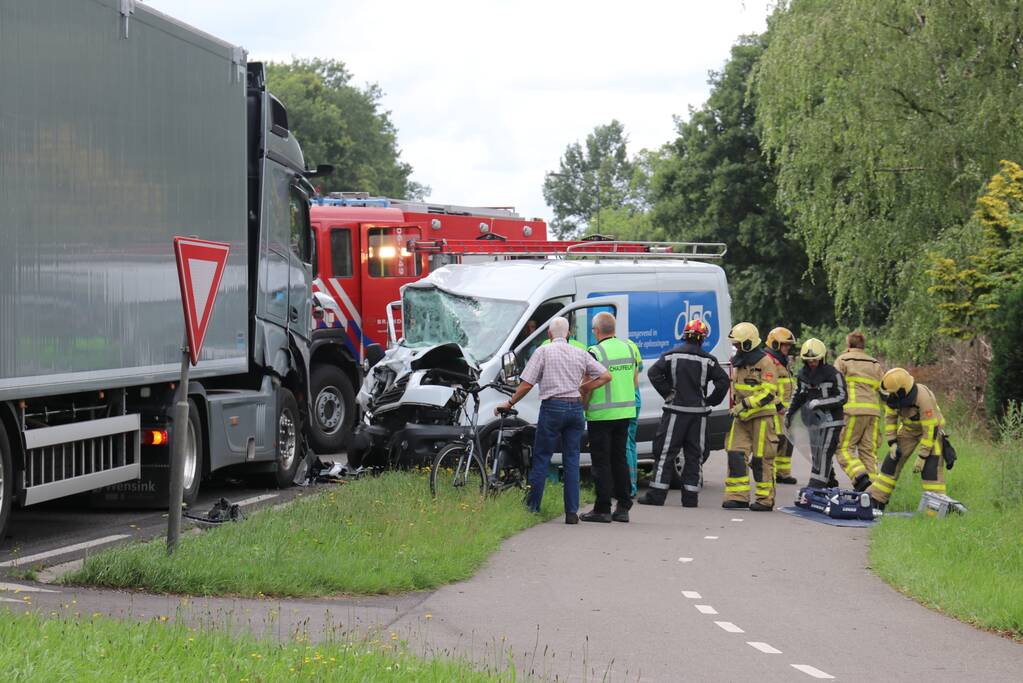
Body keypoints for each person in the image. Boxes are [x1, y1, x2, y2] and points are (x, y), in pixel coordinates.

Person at [496, 316, 611, 524]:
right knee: (572, 460)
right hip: (575, 409)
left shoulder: (543, 351)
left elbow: (526, 384)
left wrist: (509, 403)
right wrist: (583, 388)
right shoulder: (580, 352)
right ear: (568, 334)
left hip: (552, 408)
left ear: (549, 334)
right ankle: (571, 513)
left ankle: (532, 507)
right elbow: (606, 376)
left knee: (542, 457)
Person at [638, 318, 729, 508]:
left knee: (665, 453)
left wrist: (668, 393)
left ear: (685, 335)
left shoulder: (671, 356)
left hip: (675, 413)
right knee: (694, 455)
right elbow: (723, 382)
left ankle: (656, 496)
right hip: (698, 415)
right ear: (702, 338)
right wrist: (711, 400)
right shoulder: (708, 360)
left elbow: (653, 373)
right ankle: (690, 499)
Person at [866, 368, 953, 510]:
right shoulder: (893, 397)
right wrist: (893, 442)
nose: (890, 397)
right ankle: (876, 500)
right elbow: (890, 419)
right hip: (908, 430)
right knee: (891, 463)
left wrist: (922, 456)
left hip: (932, 432)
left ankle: (936, 509)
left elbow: (930, 428)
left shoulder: (923, 397)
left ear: (902, 390)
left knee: (930, 469)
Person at [580, 312, 638, 523]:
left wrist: (583, 406)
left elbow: (587, 385)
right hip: (625, 413)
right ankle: (623, 507)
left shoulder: (594, 352)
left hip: (601, 414)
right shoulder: (629, 348)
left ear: (596, 331)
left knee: (601, 463)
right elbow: (634, 381)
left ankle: (602, 508)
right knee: (619, 460)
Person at [722, 322, 782, 511]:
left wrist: (745, 404)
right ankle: (737, 496)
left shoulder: (766, 363)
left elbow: (768, 393)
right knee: (735, 453)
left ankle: (765, 499)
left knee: (761, 459)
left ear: (748, 343)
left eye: (738, 344)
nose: (736, 347)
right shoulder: (739, 362)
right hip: (741, 418)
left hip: (761, 418)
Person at [785, 338, 847, 489]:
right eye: (809, 360)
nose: (812, 363)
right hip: (813, 422)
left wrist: (820, 402)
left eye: (815, 360)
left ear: (822, 357)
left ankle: (816, 486)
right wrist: (789, 414)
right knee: (816, 454)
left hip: (832, 422)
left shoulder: (834, 374)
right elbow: (798, 396)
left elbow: (842, 396)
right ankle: (830, 484)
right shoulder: (802, 375)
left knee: (823, 453)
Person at [833, 331, 884, 491]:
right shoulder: (875, 363)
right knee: (868, 452)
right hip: (873, 413)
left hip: (852, 412)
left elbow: (834, 384)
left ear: (848, 344)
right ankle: (874, 492)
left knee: (843, 448)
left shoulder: (843, 360)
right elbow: (883, 388)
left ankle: (860, 477)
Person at [765, 327, 798, 485]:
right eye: (785, 344)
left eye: (789, 345)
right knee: (776, 441)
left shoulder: (782, 360)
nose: (788, 347)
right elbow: (767, 387)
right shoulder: (769, 361)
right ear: (775, 344)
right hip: (774, 409)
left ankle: (783, 473)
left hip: (786, 410)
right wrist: (778, 405)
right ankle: (765, 468)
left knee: (787, 442)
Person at [624, 337, 643, 498]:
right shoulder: (632, 345)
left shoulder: (612, 346)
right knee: (630, 444)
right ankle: (633, 484)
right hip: (635, 399)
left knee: (626, 445)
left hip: (626, 401)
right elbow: (640, 368)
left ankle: (630, 487)